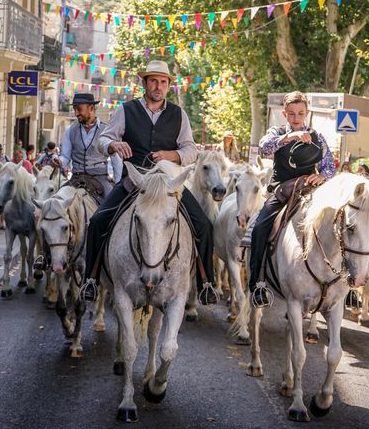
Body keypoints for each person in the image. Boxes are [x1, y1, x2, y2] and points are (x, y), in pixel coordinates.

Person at [80, 60, 218, 305]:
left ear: (168, 86)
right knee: (98, 221)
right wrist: (113, 145)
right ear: (144, 83)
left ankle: (207, 283)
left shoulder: (179, 114)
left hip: (168, 186)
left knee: (205, 226)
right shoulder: (126, 110)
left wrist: (172, 155)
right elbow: (104, 139)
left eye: (163, 82)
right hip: (135, 183)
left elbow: (191, 150)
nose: (158, 86)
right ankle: (90, 279)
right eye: (153, 81)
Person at [249, 91, 336, 307]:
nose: (296, 118)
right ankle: (257, 283)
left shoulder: (318, 137)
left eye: (300, 113)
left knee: (339, 224)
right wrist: (289, 137)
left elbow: (329, 167)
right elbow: (264, 147)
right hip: (282, 192)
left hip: (311, 191)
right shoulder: (276, 132)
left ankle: (346, 284)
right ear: (284, 114)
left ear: (307, 113)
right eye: (292, 114)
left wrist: (322, 176)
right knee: (260, 228)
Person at [52, 92, 122, 195]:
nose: (76, 113)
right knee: (55, 201)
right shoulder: (70, 130)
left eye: (79, 109)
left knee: (111, 207)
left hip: (100, 178)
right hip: (76, 178)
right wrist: (60, 161)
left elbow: (116, 161)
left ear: (91, 108)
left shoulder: (107, 130)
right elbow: (65, 157)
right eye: (74, 109)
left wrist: (118, 185)